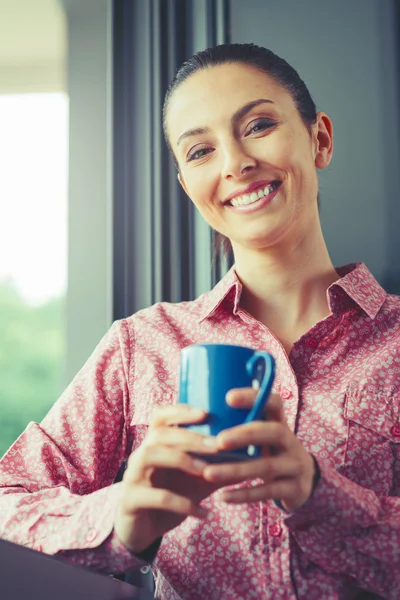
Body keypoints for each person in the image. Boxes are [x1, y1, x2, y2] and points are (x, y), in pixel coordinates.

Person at [0, 42, 399, 600]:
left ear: (320, 139)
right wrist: (121, 518)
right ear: (189, 186)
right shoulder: (142, 346)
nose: (234, 163)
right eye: (200, 151)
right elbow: (7, 498)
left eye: (258, 125)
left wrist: (321, 495)